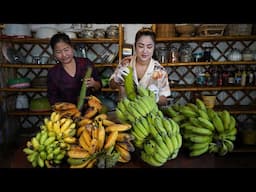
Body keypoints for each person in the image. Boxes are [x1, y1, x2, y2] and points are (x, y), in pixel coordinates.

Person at [109, 27, 171, 106]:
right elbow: (112, 86)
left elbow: (165, 100)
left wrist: (157, 98)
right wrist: (116, 79)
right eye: (141, 46)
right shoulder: (126, 63)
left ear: (154, 48)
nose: (145, 51)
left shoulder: (160, 70)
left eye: (149, 47)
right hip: (125, 110)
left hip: (148, 113)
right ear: (135, 46)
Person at [47, 32, 102, 106]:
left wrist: (94, 84)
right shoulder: (53, 73)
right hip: (67, 112)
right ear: (54, 53)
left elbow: (99, 86)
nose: (64, 55)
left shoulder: (85, 64)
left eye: (66, 50)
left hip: (90, 109)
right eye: (58, 52)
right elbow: (53, 99)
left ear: (72, 48)